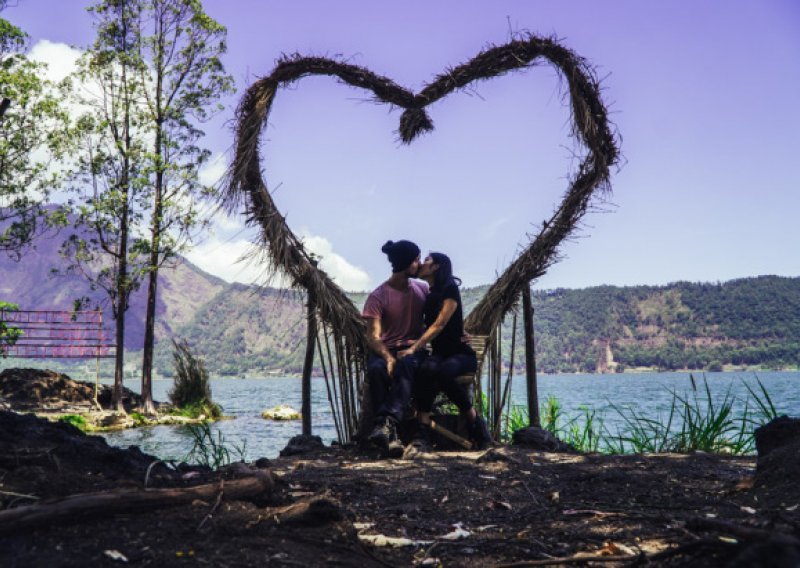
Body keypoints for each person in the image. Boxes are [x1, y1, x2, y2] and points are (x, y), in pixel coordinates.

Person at [397, 252, 492, 450]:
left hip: (461, 355)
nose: (422, 263)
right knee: (425, 370)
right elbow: (433, 324)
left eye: (427, 260)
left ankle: (474, 421)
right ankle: (422, 430)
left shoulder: (450, 288)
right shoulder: (430, 294)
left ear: (436, 267)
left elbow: (440, 324)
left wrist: (414, 348)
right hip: (441, 354)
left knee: (443, 372)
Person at [362, 240, 429, 457]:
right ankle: (392, 438)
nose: (420, 264)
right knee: (376, 369)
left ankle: (384, 425)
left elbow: (439, 318)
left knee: (407, 365)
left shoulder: (423, 290)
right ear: (406, 263)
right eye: (417, 259)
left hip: (413, 351)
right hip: (386, 350)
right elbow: (373, 336)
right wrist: (388, 358)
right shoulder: (378, 296)